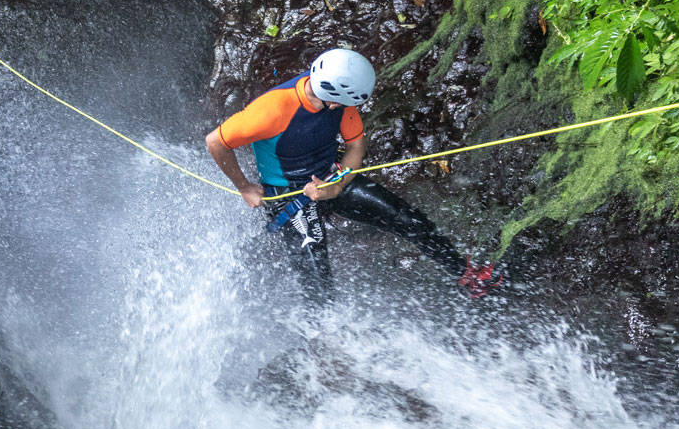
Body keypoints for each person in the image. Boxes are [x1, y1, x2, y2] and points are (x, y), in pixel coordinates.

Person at [205, 48, 497, 299]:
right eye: (346, 105)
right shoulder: (271, 110)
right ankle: (324, 342)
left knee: (407, 219)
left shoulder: (338, 98)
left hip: (330, 176)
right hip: (289, 193)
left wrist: (336, 184)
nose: (348, 110)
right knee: (319, 283)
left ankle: (468, 275)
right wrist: (244, 186)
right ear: (333, 99)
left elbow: (356, 145)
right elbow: (216, 141)